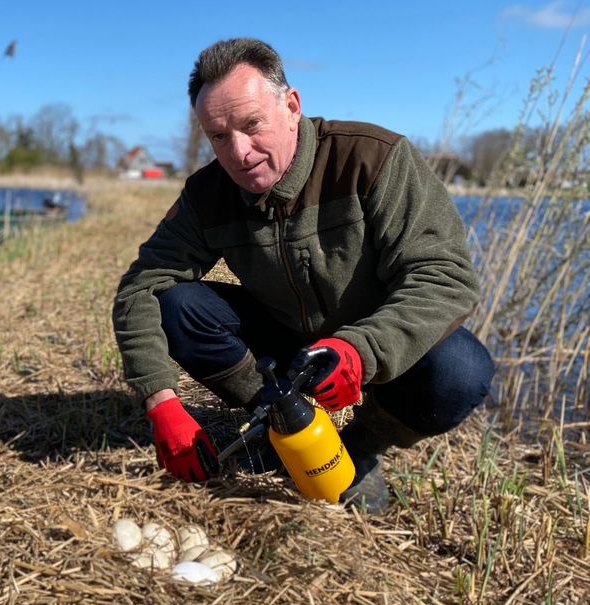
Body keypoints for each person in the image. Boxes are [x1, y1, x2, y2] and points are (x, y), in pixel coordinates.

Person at [112, 38, 494, 513]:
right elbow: (141, 287)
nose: (239, 152)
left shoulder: (373, 159)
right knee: (179, 307)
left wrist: (361, 350)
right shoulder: (209, 194)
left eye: (252, 125)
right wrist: (160, 400)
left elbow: (445, 278)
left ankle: (358, 447)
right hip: (290, 348)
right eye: (218, 136)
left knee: (461, 370)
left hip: (379, 348)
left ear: (291, 106)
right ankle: (284, 424)